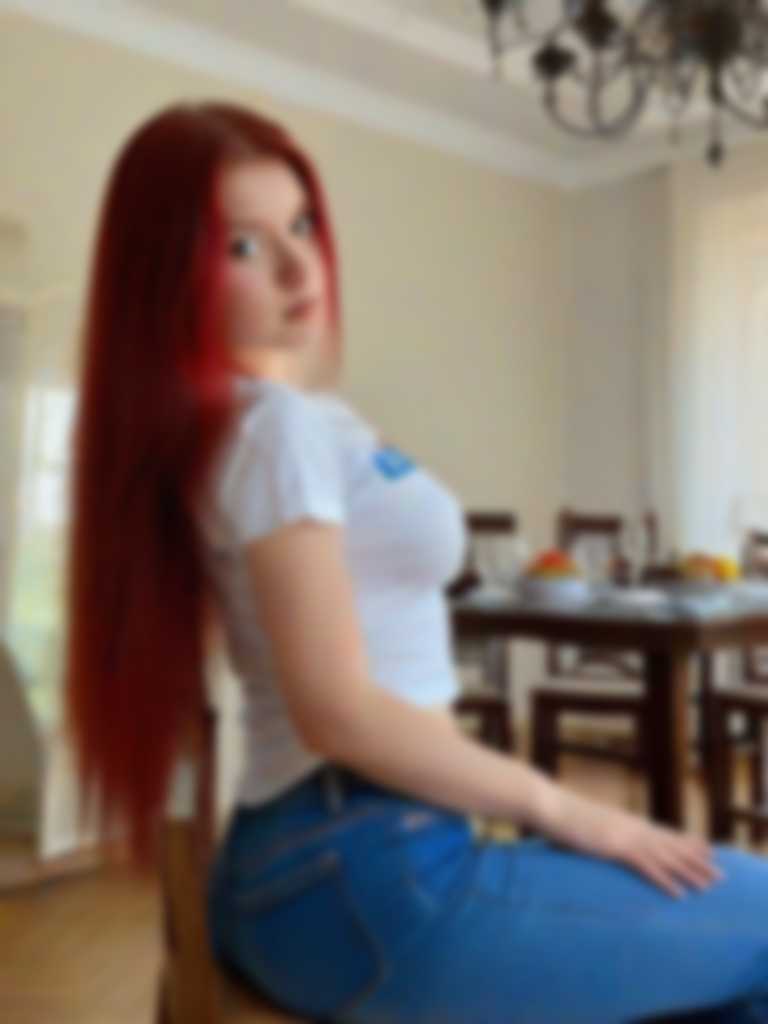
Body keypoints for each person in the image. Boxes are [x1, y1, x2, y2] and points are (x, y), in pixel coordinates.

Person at [64, 101, 768, 1024]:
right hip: (370, 874)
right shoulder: (271, 431)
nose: (299, 266)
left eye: (301, 224)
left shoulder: (274, 423)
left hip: (322, 868)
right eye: (242, 246)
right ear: (167, 276)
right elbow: (336, 713)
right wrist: (575, 812)